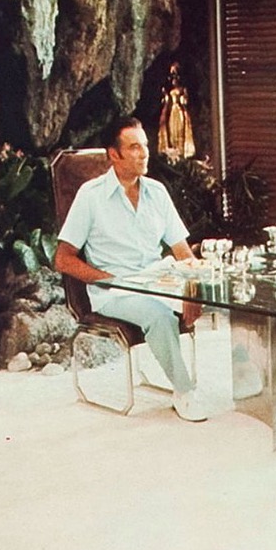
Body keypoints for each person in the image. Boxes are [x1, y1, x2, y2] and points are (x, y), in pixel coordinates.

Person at [55, 116, 206, 422]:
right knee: (160, 317)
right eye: (134, 147)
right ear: (114, 154)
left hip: (159, 282)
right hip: (115, 292)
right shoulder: (91, 196)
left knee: (226, 296)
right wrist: (108, 279)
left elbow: (181, 251)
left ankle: (251, 384)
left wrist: (192, 290)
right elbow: (63, 259)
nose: (144, 153)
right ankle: (184, 391)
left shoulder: (157, 192)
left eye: (145, 145)